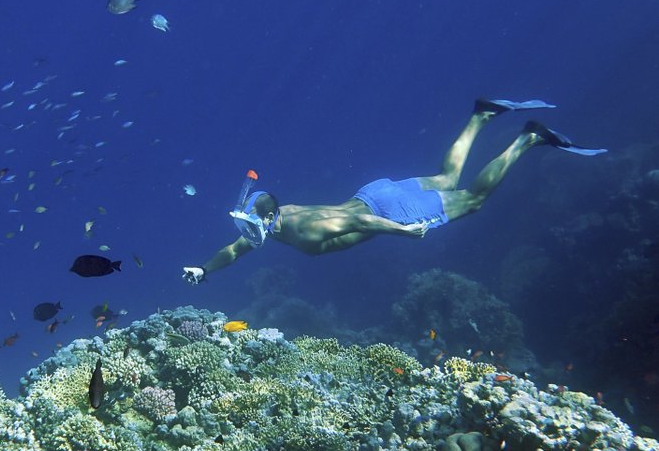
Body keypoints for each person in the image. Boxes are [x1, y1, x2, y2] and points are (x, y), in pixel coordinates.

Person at [182, 99, 605, 284]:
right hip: (373, 191)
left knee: (472, 200)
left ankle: (528, 139)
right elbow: (235, 251)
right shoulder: (278, 219)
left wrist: (402, 232)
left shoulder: (304, 233)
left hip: (387, 210)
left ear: (264, 220)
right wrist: (204, 269)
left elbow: (360, 222)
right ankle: (482, 114)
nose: (247, 234)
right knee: (445, 179)